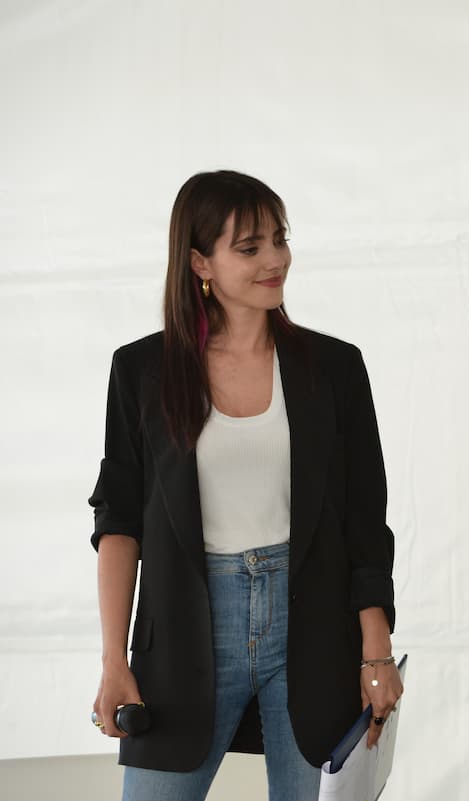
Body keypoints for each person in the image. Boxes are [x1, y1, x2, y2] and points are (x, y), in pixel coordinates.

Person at [89, 170, 403, 801]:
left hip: (315, 628)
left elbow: (364, 521)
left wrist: (376, 651)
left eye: (280, 240)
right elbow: (119, 524)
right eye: (251, 247)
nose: (275, 260)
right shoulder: (142, 371)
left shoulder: (335, 368)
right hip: (184, 631)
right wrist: (114, 659)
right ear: (200, 262)